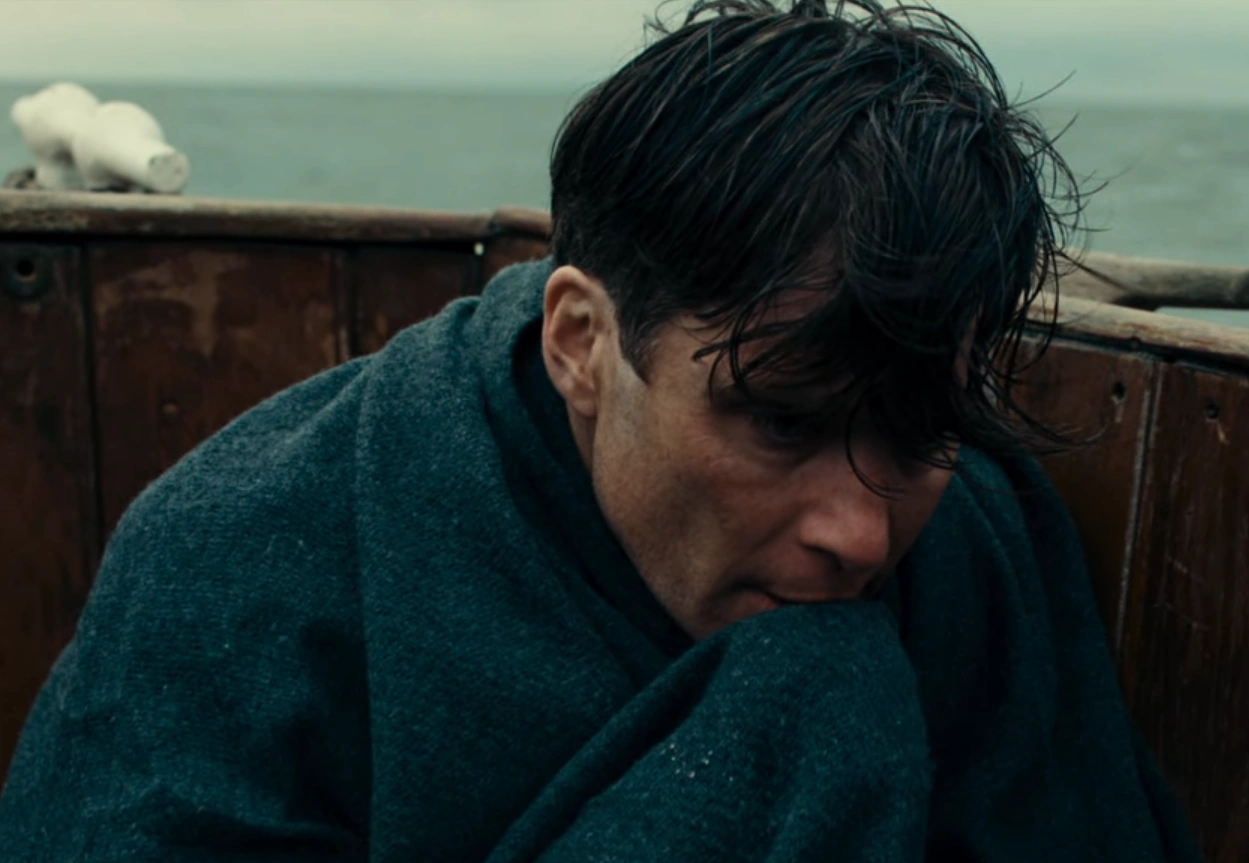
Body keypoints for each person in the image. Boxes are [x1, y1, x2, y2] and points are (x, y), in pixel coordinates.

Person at [0, 2, 1201, 861]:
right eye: (782, 421)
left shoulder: (975, 537)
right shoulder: (240, 565)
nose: (858, 532)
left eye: (917, 435)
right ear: (582, 341)